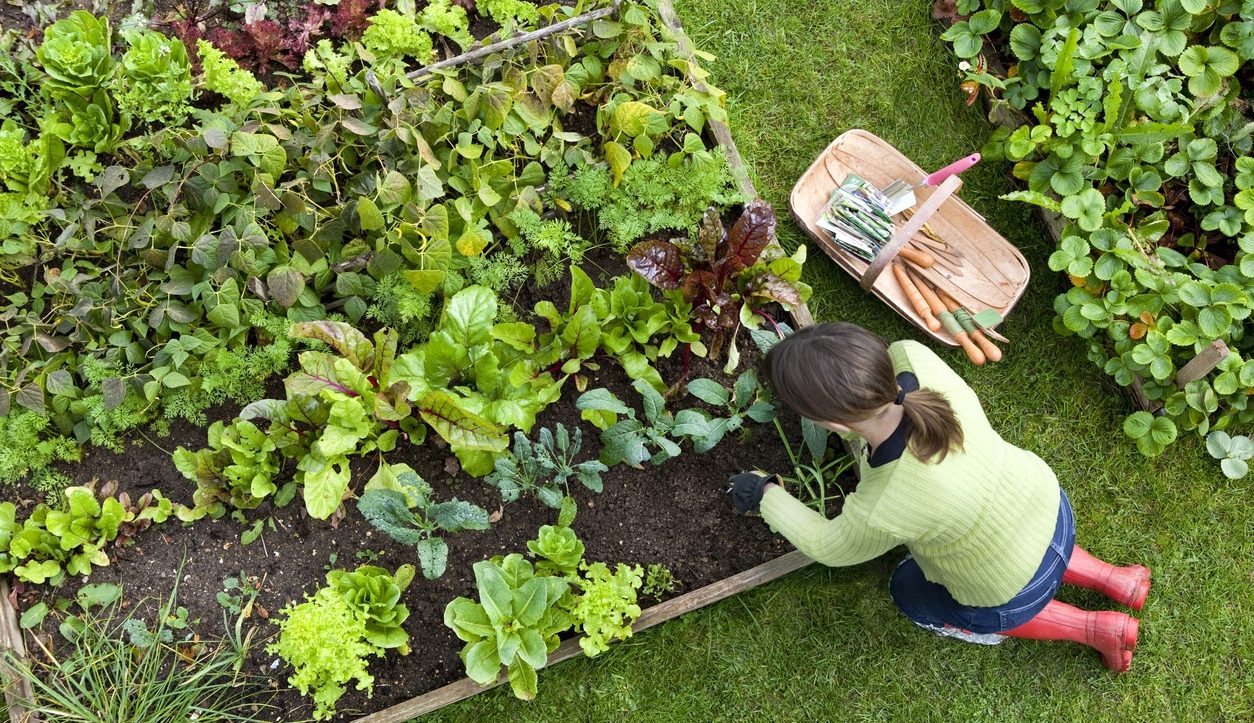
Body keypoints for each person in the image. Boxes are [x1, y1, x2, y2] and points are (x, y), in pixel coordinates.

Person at [729, 322, 1150, 671]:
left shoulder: (886, 502)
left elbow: (829, 545)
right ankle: (1117, 580)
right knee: (1019, 541)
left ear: (831, 423)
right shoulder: (913, 357)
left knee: (908, 591)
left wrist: (764, 493)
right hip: (1049, 507)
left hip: (1007, 587)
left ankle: (1096, 629)